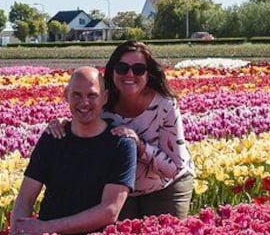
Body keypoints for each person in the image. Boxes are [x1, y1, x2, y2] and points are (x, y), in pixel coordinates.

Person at [47, 41, 196, 220]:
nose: (130, 74)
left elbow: (173, 168)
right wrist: (64, 124)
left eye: (139, 69)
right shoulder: (103, 103)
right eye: (122, 68)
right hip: (120, 189)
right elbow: (83, 121)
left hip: (166, 185)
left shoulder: (164, 104)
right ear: (112, 71)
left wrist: (140, 146)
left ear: (148, 74)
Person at [10, 67, 136, 235]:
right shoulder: (53, 138)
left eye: (92, 95)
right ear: (66, 95)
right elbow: (26, 197)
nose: (84, 103)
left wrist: (46, 228)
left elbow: (110, 210)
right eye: (76, 95)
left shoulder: (120, 144)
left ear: (105, 97)